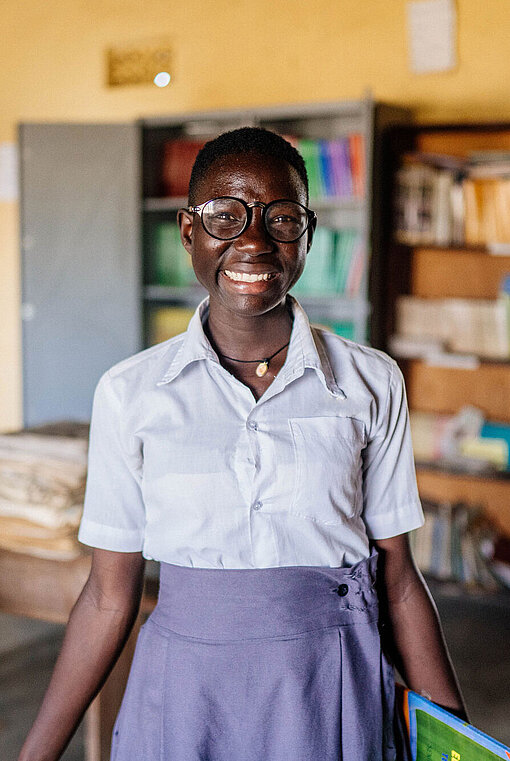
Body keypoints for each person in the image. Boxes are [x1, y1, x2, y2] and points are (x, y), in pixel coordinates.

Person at [18, 127, 467, 761]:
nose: (253, 241)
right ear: (187, 231)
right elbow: (106, 595)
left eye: (282, 218)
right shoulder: (131, 393)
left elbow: (396, 578)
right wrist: (36, 753)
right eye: (226, 216)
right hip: (185, 693)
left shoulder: (370, 381)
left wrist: (457, 740)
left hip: (327, 684)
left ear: (308, 234)